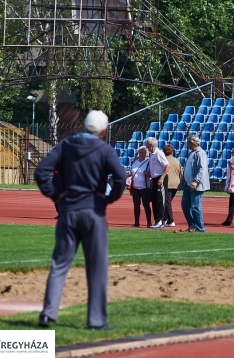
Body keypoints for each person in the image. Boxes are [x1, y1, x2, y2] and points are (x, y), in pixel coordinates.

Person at [34, 110, 126, 330]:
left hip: (68, 211)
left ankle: (47, 313)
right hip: (94, 212)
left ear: (84, 126)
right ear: (104, 130)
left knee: (60, 263)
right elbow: (121, 177)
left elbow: (41, 171)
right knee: (96, 266)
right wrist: (108, 199)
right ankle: (96, 321)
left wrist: (55, 195)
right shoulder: (104, 149)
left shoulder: (66, 146)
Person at [180, 135, 209, 232]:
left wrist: (196, 181)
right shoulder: (192, 153)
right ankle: (192, 225)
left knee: (195, 206)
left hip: (196, 185)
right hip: (188, 184)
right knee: (185, 205)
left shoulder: (200, 153)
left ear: (192, 143)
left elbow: (202, 169)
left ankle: (200, 227)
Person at [144, 137, 170, 229]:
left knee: (160, 200)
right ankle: (158, 220)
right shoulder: (152, 155)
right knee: (155, 200)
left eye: (147, 144)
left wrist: (162, 177)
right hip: (154, 178)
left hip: (160, 178)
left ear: (151, 145)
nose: (146, 146)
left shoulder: (159, 153)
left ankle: (161, 220)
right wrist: (149, 174)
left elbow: (167, 166)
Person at [128, 146, 151, 227]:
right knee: (136, 205)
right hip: (135, 187)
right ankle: (136, 222)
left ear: (146, 153)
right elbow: (133, 171)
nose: (141, 154)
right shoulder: (135, 161)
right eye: (140, 152)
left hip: (144, 187)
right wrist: (130, 173)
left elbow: (151, 174)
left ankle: (149, 222)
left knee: (146, 205)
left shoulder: (148, 161)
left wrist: (148, 174)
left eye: (143, 152)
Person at [162, 144, 182, 228]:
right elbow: (181, 173)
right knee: (168, 201)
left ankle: (170, 220)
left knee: (166, 202)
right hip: (175, 184)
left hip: (167, 183)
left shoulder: (164, 160)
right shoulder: (176, 161)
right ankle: (165, 218)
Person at [221, 146, 234, 226]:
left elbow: (233, 174)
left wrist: (229, 186)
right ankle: (229, 219)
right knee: (232, 203)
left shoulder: (233, 162)